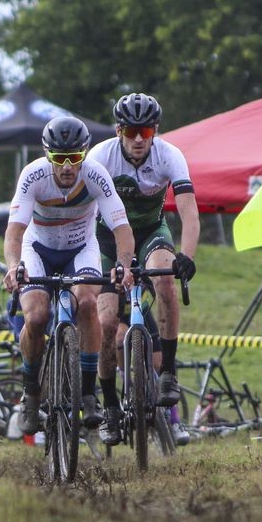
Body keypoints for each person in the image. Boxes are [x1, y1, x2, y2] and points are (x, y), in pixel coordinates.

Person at [4, 115, 135, 435]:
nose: (66, 166)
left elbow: (122, 229)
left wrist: (123, 264)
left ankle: (88, 394)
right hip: (39, 250)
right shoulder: (33, 175)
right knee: (35, 316)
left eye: (74, 158)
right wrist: (13, 265)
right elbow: (14, 232)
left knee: (89, 303)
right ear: (47, 155)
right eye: (59, 159)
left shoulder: (95, 175)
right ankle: (32, 392)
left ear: (85, 153)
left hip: (80, 249)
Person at [87, 93, 198, 445]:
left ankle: (167, 372)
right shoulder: (100, 157)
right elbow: (86, 215)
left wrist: (187, 255)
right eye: (132, 131)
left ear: (155, 131)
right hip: (106, 238)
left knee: (165, 283)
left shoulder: (170, 155)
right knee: (105, 324)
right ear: (119, 130)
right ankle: (109, 406)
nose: (138, 139)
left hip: (151, 231)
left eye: (146, 132)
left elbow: (189, 209)